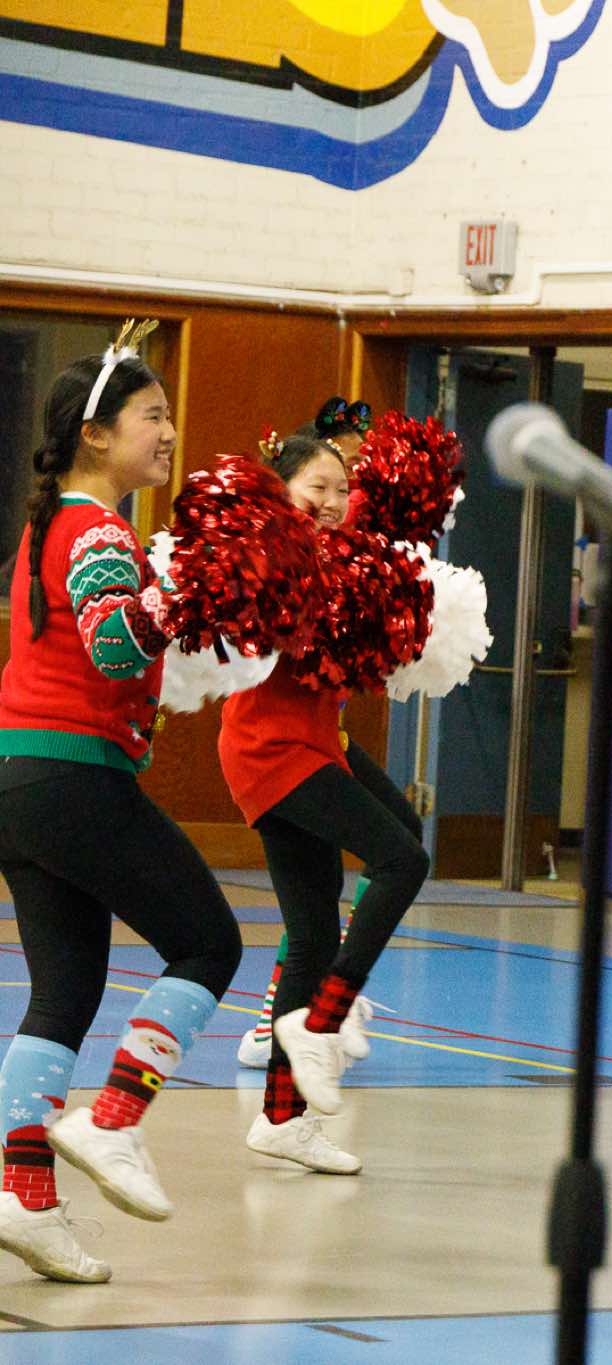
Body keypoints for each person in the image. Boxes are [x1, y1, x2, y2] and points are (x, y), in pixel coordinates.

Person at [0, 334, 243, 1281]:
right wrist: (187, 590)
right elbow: (112, 646)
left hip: (19, 782)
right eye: (154, 415)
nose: (171, 432)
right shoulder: (98, 531)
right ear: (95, 436)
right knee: (210, 942)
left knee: (64, 991)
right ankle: (114, 1118)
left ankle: (24, 1195)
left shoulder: (54, 526)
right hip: (72, 777)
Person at [218, 434, 429, 1174]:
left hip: (312, 743)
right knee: (402, 857)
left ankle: (281, 1118)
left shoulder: (338, 549)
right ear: (281, 490)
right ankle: (326, 1018)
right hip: (272, 747)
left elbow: (376, 510)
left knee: (311, 930)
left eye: (342, 489)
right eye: (318, 487)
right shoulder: (269, 555)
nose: (334, 502)